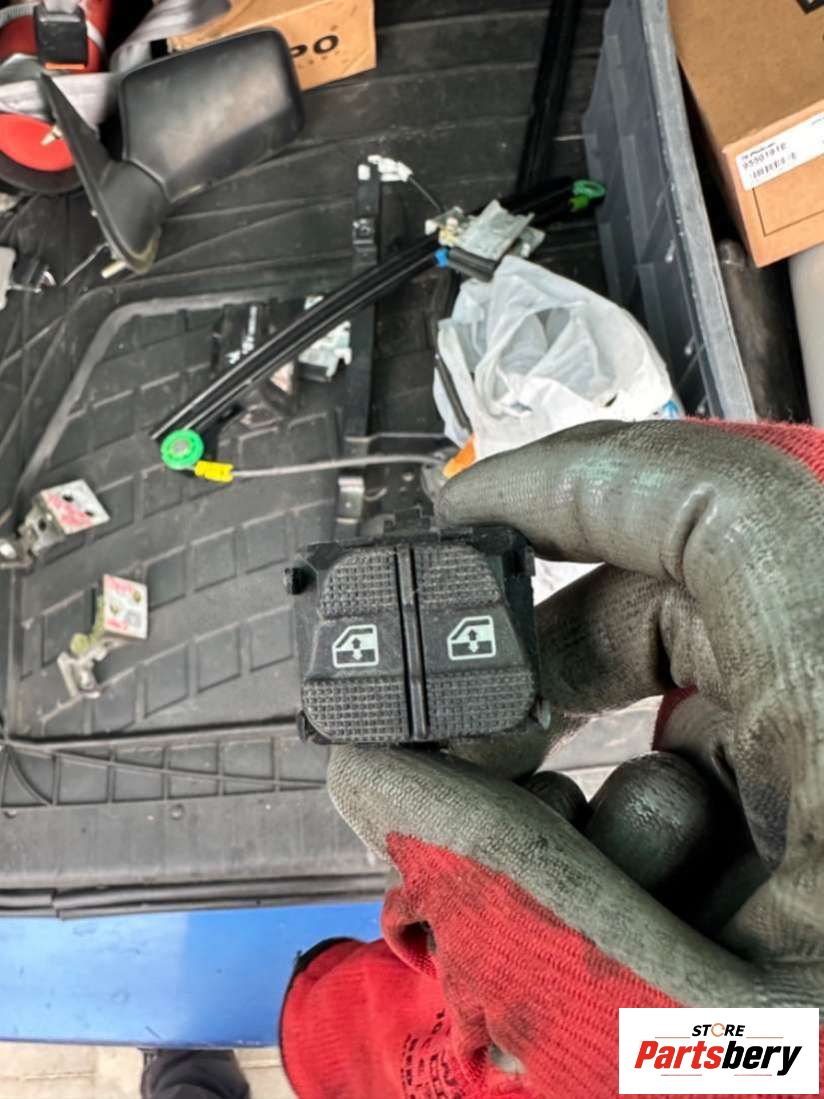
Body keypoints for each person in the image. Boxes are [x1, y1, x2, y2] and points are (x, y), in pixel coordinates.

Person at [142, 419, 824, 1097]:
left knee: (375, 1015)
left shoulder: (751, 1051)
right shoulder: (757, 1049)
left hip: (391, 1028)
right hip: (415, 1022)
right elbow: (758, 1055)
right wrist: (749, 1063)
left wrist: (738, 1062)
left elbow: (756, 1055)